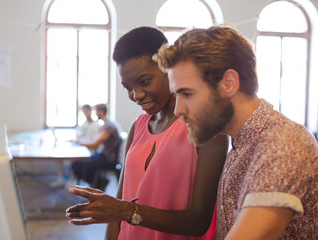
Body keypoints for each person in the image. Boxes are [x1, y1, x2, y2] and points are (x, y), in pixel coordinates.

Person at [155, 25, 318, 239]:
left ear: (229, 84)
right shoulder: (242, 143)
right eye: (177, 96)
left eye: (187, 94)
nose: (178, 110)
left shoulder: (283, 143)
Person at [66, 26, 228, 240]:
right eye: (127, 87)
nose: (136, 95)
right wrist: (117, 212)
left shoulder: (206, 129)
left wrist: (126, 211)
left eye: (144, 82)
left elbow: (199, 221)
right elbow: (120, 200)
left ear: (168, 67)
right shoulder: (138, 126)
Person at [71, 103, 121, 190]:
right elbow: (92, 138)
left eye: (96, 112)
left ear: (101, 112)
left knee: (79, 165)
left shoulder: (109, 126)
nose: (95, 114)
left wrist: (79, 143)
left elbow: (95, 144)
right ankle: (98, 182)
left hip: (109, 159)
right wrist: (79, 141)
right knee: (76, 164)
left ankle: (99, 182)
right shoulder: (106, 124)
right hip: (103, 155)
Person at [50, 104, 101, 188]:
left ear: (90, 112)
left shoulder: (96, 125)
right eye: (83, 112)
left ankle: (72, 180)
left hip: (89, 150)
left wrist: (80, 141)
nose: (85, 114)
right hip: (81, 147)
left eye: (86, 112)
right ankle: (61, 178)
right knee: (59, 157)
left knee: (71, 160)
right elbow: (78, 133)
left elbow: (93, 141)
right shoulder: (84, 124)